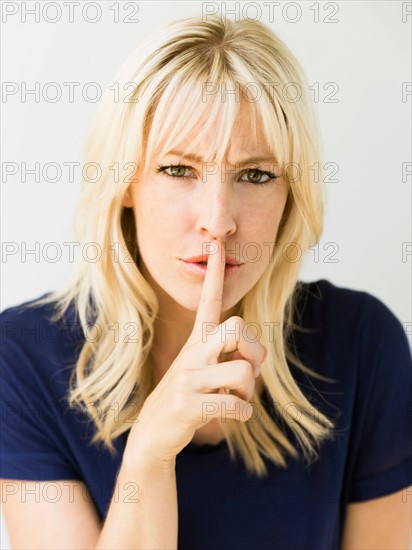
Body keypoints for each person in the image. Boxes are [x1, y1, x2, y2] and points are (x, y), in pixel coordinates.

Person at [1, 13, 411, 550]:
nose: (218, 220)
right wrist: (150, 451)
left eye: (256, 175)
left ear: (291, 194)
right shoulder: (22, 357)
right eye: (178, 170)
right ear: (126, 182)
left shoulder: (362, 343)